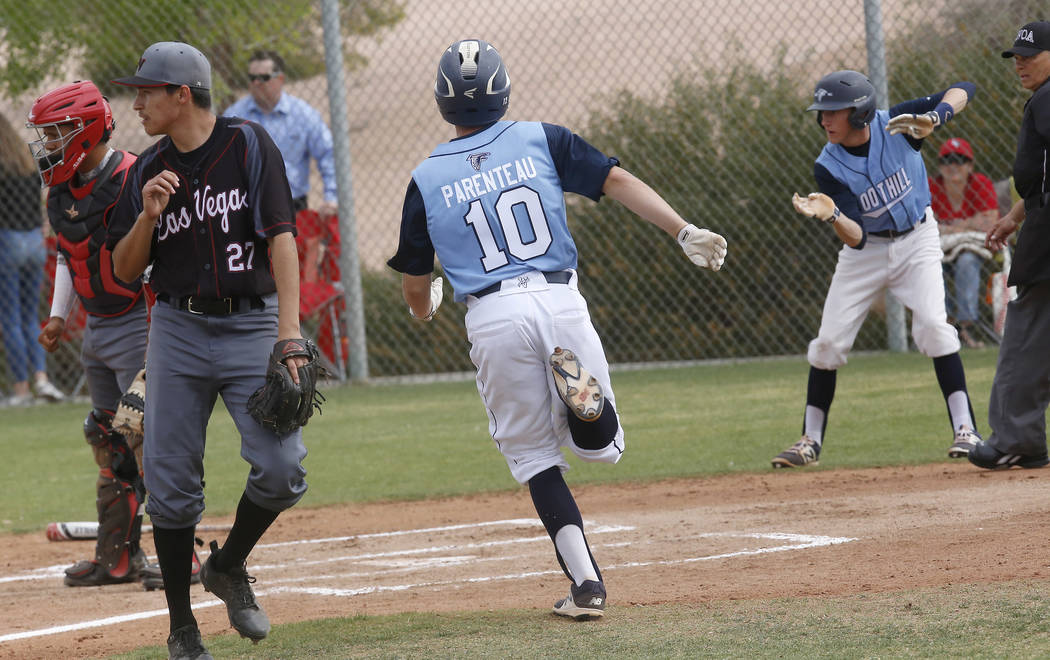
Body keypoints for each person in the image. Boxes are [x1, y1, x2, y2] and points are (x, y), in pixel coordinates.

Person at [388, 39, 727, 621]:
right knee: (605, 452)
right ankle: (587, 416)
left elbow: (416, 287)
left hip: (491, 317)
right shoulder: (542, 137)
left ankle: (587, 585)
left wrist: (426, 308)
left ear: (443, 102)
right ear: (503, 89)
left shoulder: (425, 179)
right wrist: (681, 229)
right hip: (557, 298)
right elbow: (616, 182)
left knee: (533, 459)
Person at [107, 42, 309, 659]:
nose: (136, 101)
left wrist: (290, 335)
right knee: (170, 484)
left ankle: (228, 566)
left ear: (182, 95)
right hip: (178, 330)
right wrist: (147, 217)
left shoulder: (248, 146)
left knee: (282, 470)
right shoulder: (146, 169)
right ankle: (182, 628)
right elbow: (122, 270)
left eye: (147, 90)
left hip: (252, 326)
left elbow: (282, 237)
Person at [771, 70, 981, 468]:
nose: (825, 120)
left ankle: (966, 430)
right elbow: (857, 239)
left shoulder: (898, 124)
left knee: (936, 328)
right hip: (865, 252)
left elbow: (964, 89)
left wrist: (936, 117)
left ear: (861, 111)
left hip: (918, 238)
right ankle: (809, 441)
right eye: (822, 113)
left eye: (835, 111)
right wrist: (833, 215)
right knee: (828, 343)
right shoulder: (827, 166)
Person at [29, 79, 172, 588]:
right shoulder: (61, 192)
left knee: (146, 436)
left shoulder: (135, 177)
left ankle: (185, 554)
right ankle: (117, 557)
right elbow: (71, 257)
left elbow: (159, 262)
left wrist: (162, 345)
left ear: (82, 132)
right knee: (108, 437)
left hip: (140, 322)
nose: (46, 146)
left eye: (54, 135)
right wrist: (58, 316)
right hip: (98, 328)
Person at [969, 21, 1050, 470]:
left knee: (1027, 335)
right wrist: (1016, 215)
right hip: (1038, 216)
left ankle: (1017, 437)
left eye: (1031, 54)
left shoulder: (1048, 97)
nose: (1020, 62)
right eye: (1016, 55)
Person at [222, 50, 337, 216]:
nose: (256, 83)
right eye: (252, 78)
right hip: (246, 206)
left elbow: (327, 154)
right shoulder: (233, 116)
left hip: (293, 206)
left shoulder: (303, 114)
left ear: (280, 79)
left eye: (263, 78)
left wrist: (331, 197)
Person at [0, 112, 64, 406]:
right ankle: (42, 379)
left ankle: (22, 389)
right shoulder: (26, 160)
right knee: (31, 316)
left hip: (8, 240)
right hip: (34, 240)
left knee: (10, 317)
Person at [928, 137, 999, 348]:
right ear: (940, 166)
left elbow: (990, 222)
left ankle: (965, 325)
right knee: (931, 268)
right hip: (941, 250)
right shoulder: (933, 186)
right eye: (947, 160)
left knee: (967, 261)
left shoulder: (979, 183)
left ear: (970, 165)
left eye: (960, 160)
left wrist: (949, 226)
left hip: (971, 247)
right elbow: (925, 225)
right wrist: (969, 223)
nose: (953, 166)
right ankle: (947, 324)